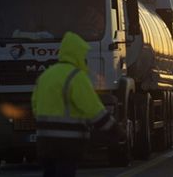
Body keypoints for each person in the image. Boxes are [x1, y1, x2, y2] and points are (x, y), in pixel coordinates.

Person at [32, 32, 125, 177]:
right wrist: (114, 129)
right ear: (77, 54)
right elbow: (93, 108)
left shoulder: (46, 76)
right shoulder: (76, 77)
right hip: (67, 144)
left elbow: (35, 105)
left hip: (44, 142)